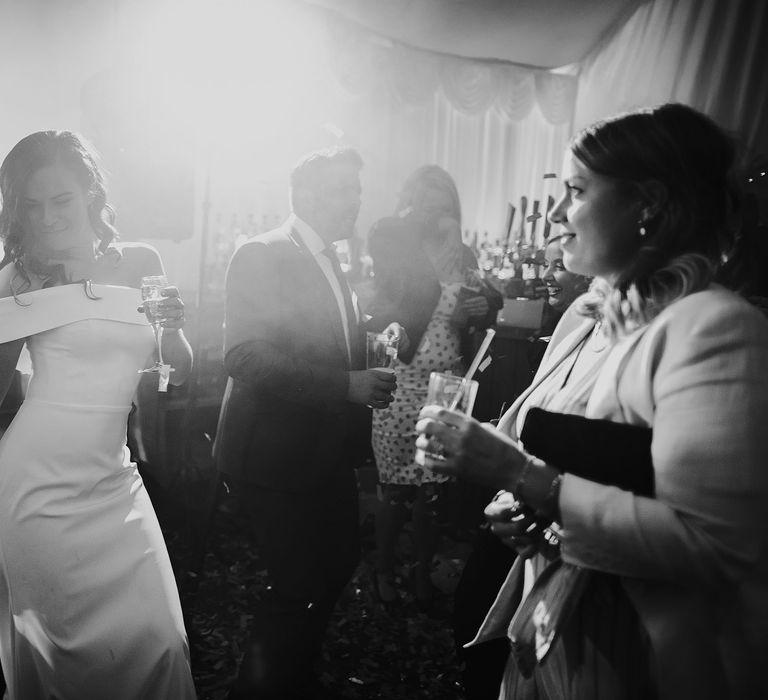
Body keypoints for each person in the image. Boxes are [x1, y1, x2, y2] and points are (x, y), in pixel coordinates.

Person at [417, 104, 768, 699]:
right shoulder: (587, 316)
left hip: (640, 648)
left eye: (576, 191)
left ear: (649, 203)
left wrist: (521, 474)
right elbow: (567, 460)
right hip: (553, 608)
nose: (554, 213)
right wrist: (527, 511)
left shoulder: (716, 327)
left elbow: (715, 550)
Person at [0, 130, 195, 699]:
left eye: (60, 200)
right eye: (31, 207)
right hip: (33, 489)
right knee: (57, 658)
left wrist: (175, 327)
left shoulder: (141, 262)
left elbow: (176, 372)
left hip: (114, 481)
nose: (48, 218)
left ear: (88, 191)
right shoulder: (17, 278)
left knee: (161, 643)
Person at [213, 146, 404, 700]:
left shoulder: (332, 256)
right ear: (305, 194)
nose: (356, 202)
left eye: (358, 191)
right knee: (297, 585)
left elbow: (319, 334)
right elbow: (243, 355)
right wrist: (347, 385)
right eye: (344, 190)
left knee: (340, 560)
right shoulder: (263, 252)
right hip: (273, 453)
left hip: (326, 450)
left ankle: (293, 675)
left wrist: (371, 337)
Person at [453, 232, 590, 700]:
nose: (547, 276)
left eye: (560, 264)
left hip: (575, 537)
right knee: (475, 612)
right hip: (524, 508)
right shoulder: (577, 316)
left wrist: (524, 475)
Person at [365, 165, 501, 609]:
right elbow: (394, 294)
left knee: (431, 488)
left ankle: (421, 572)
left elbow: (490, 297)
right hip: (401, 378)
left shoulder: (462, 251)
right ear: (410, 202)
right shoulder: (391, 236)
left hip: (449, 382)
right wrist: (436, 260)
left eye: (445, 204)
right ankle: (383, 568)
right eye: (428, 202)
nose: (437, 212)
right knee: (396, 486)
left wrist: (481, 306)